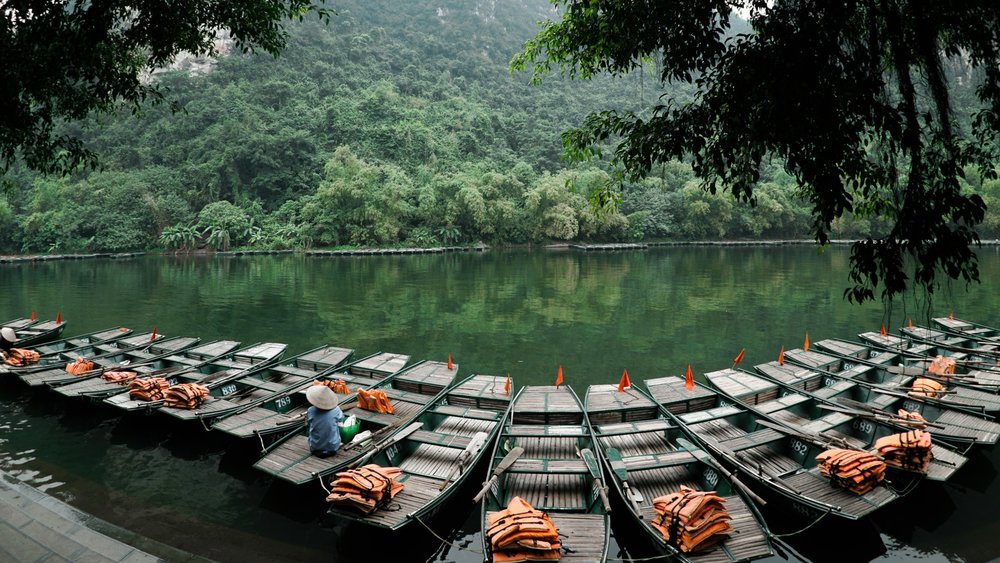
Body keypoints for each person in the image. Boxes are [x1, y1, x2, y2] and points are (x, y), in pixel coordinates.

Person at [306, 385, 345, 458]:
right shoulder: (337, 410)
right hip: (332, 448)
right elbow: (341, 420)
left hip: (315, 447)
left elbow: (309, 424)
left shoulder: (310, 410)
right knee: (337, 426)